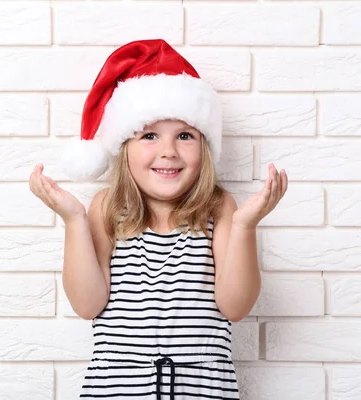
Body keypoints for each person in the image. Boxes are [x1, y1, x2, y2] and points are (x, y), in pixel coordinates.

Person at [29, 39, 288, 400]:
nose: (168, 150)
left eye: (185, 135)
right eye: (150, 135)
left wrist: (245, 226)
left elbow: (236, 306)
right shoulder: (107, 207)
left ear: (205, 147)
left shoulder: (218, 207)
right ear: (124, 148)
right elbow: (88, 305)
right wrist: (74, 220)